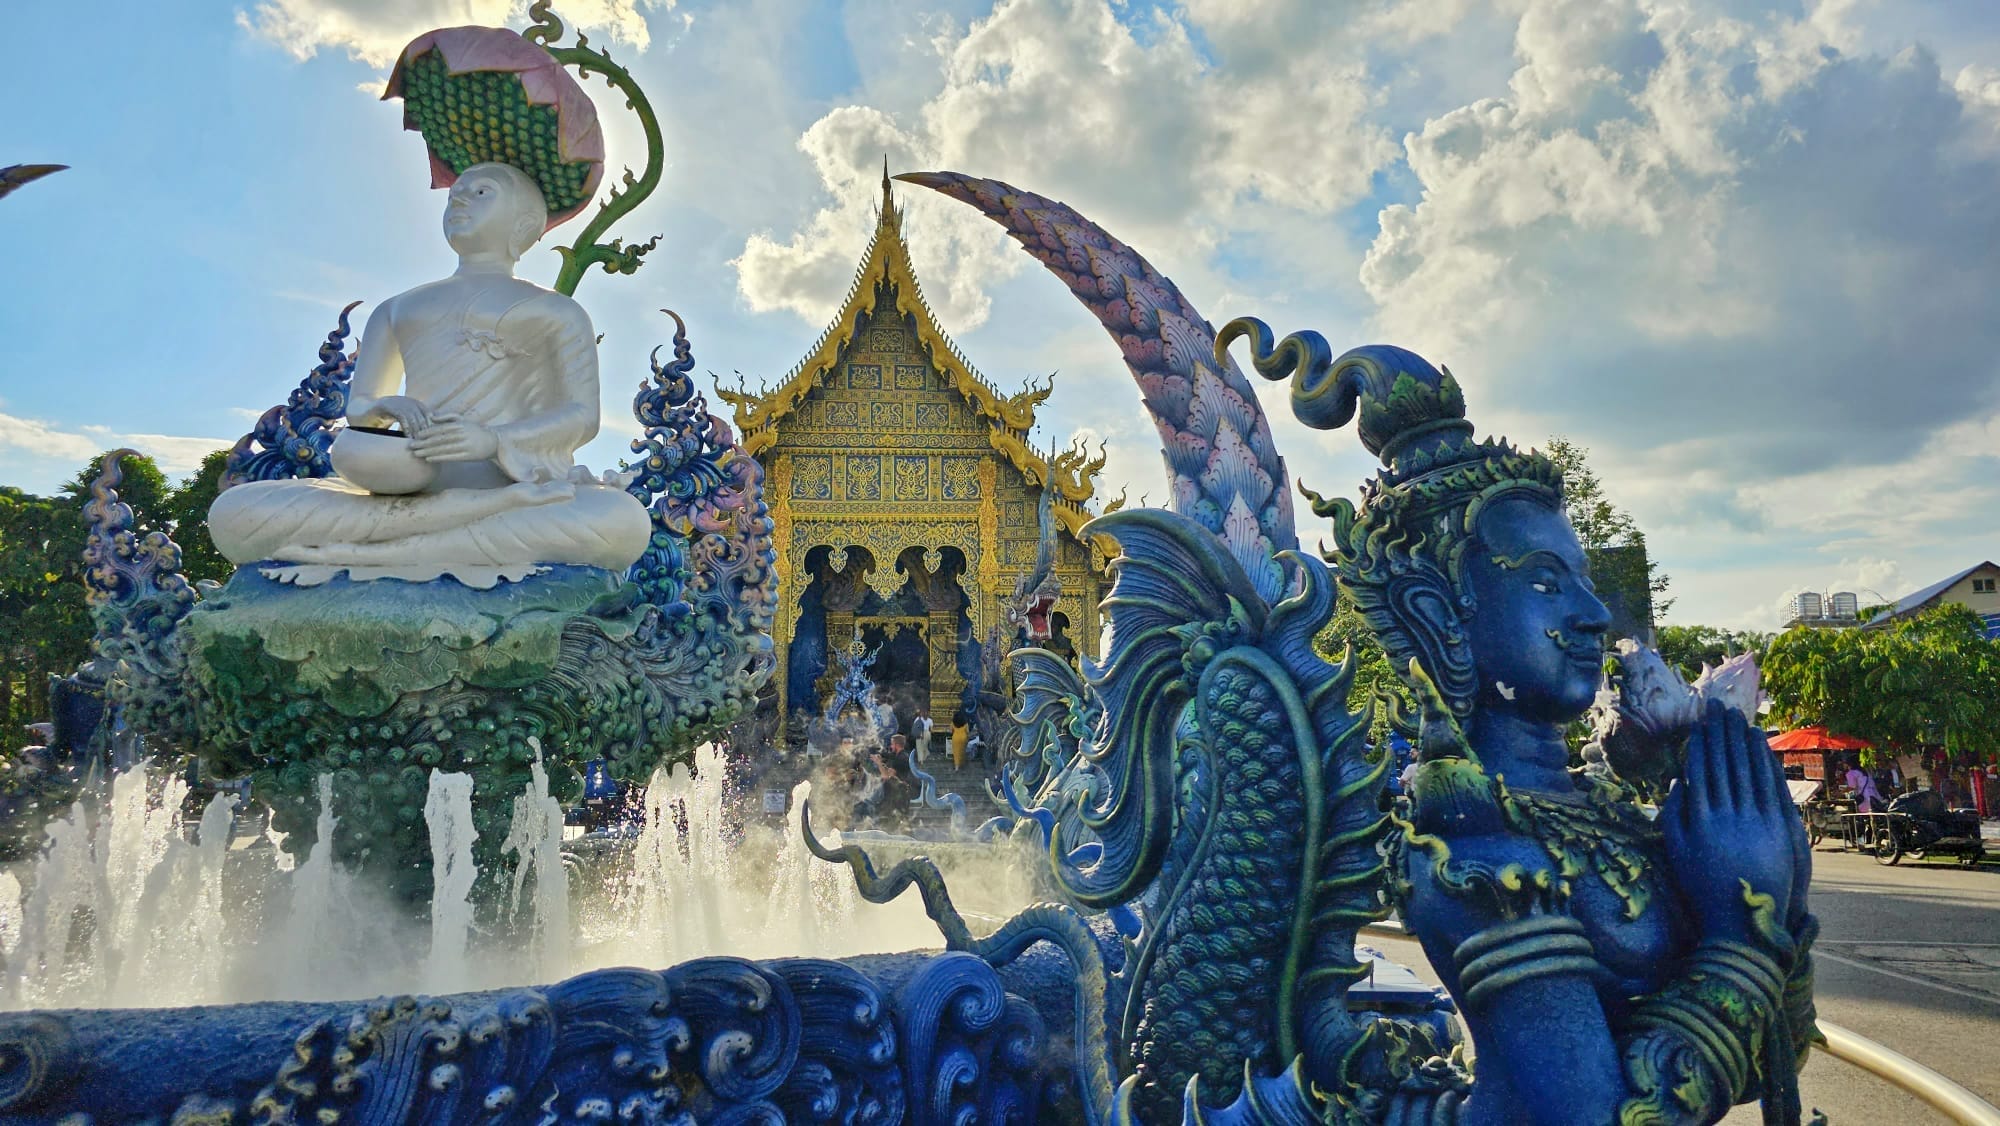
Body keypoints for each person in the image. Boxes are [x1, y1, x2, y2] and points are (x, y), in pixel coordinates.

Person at [207, 162, 651, 583]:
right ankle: (445, 536)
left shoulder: (558, 312)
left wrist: (494, 440)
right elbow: (360, 409)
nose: (459, 199)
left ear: (523, 224)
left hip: (511, 487)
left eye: (481, 192)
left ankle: (379, 551)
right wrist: (385, 405)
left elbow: (581, 416)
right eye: (456, 193)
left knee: (623, 522)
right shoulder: (398, 308)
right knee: (232, 512)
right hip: (406, 489)